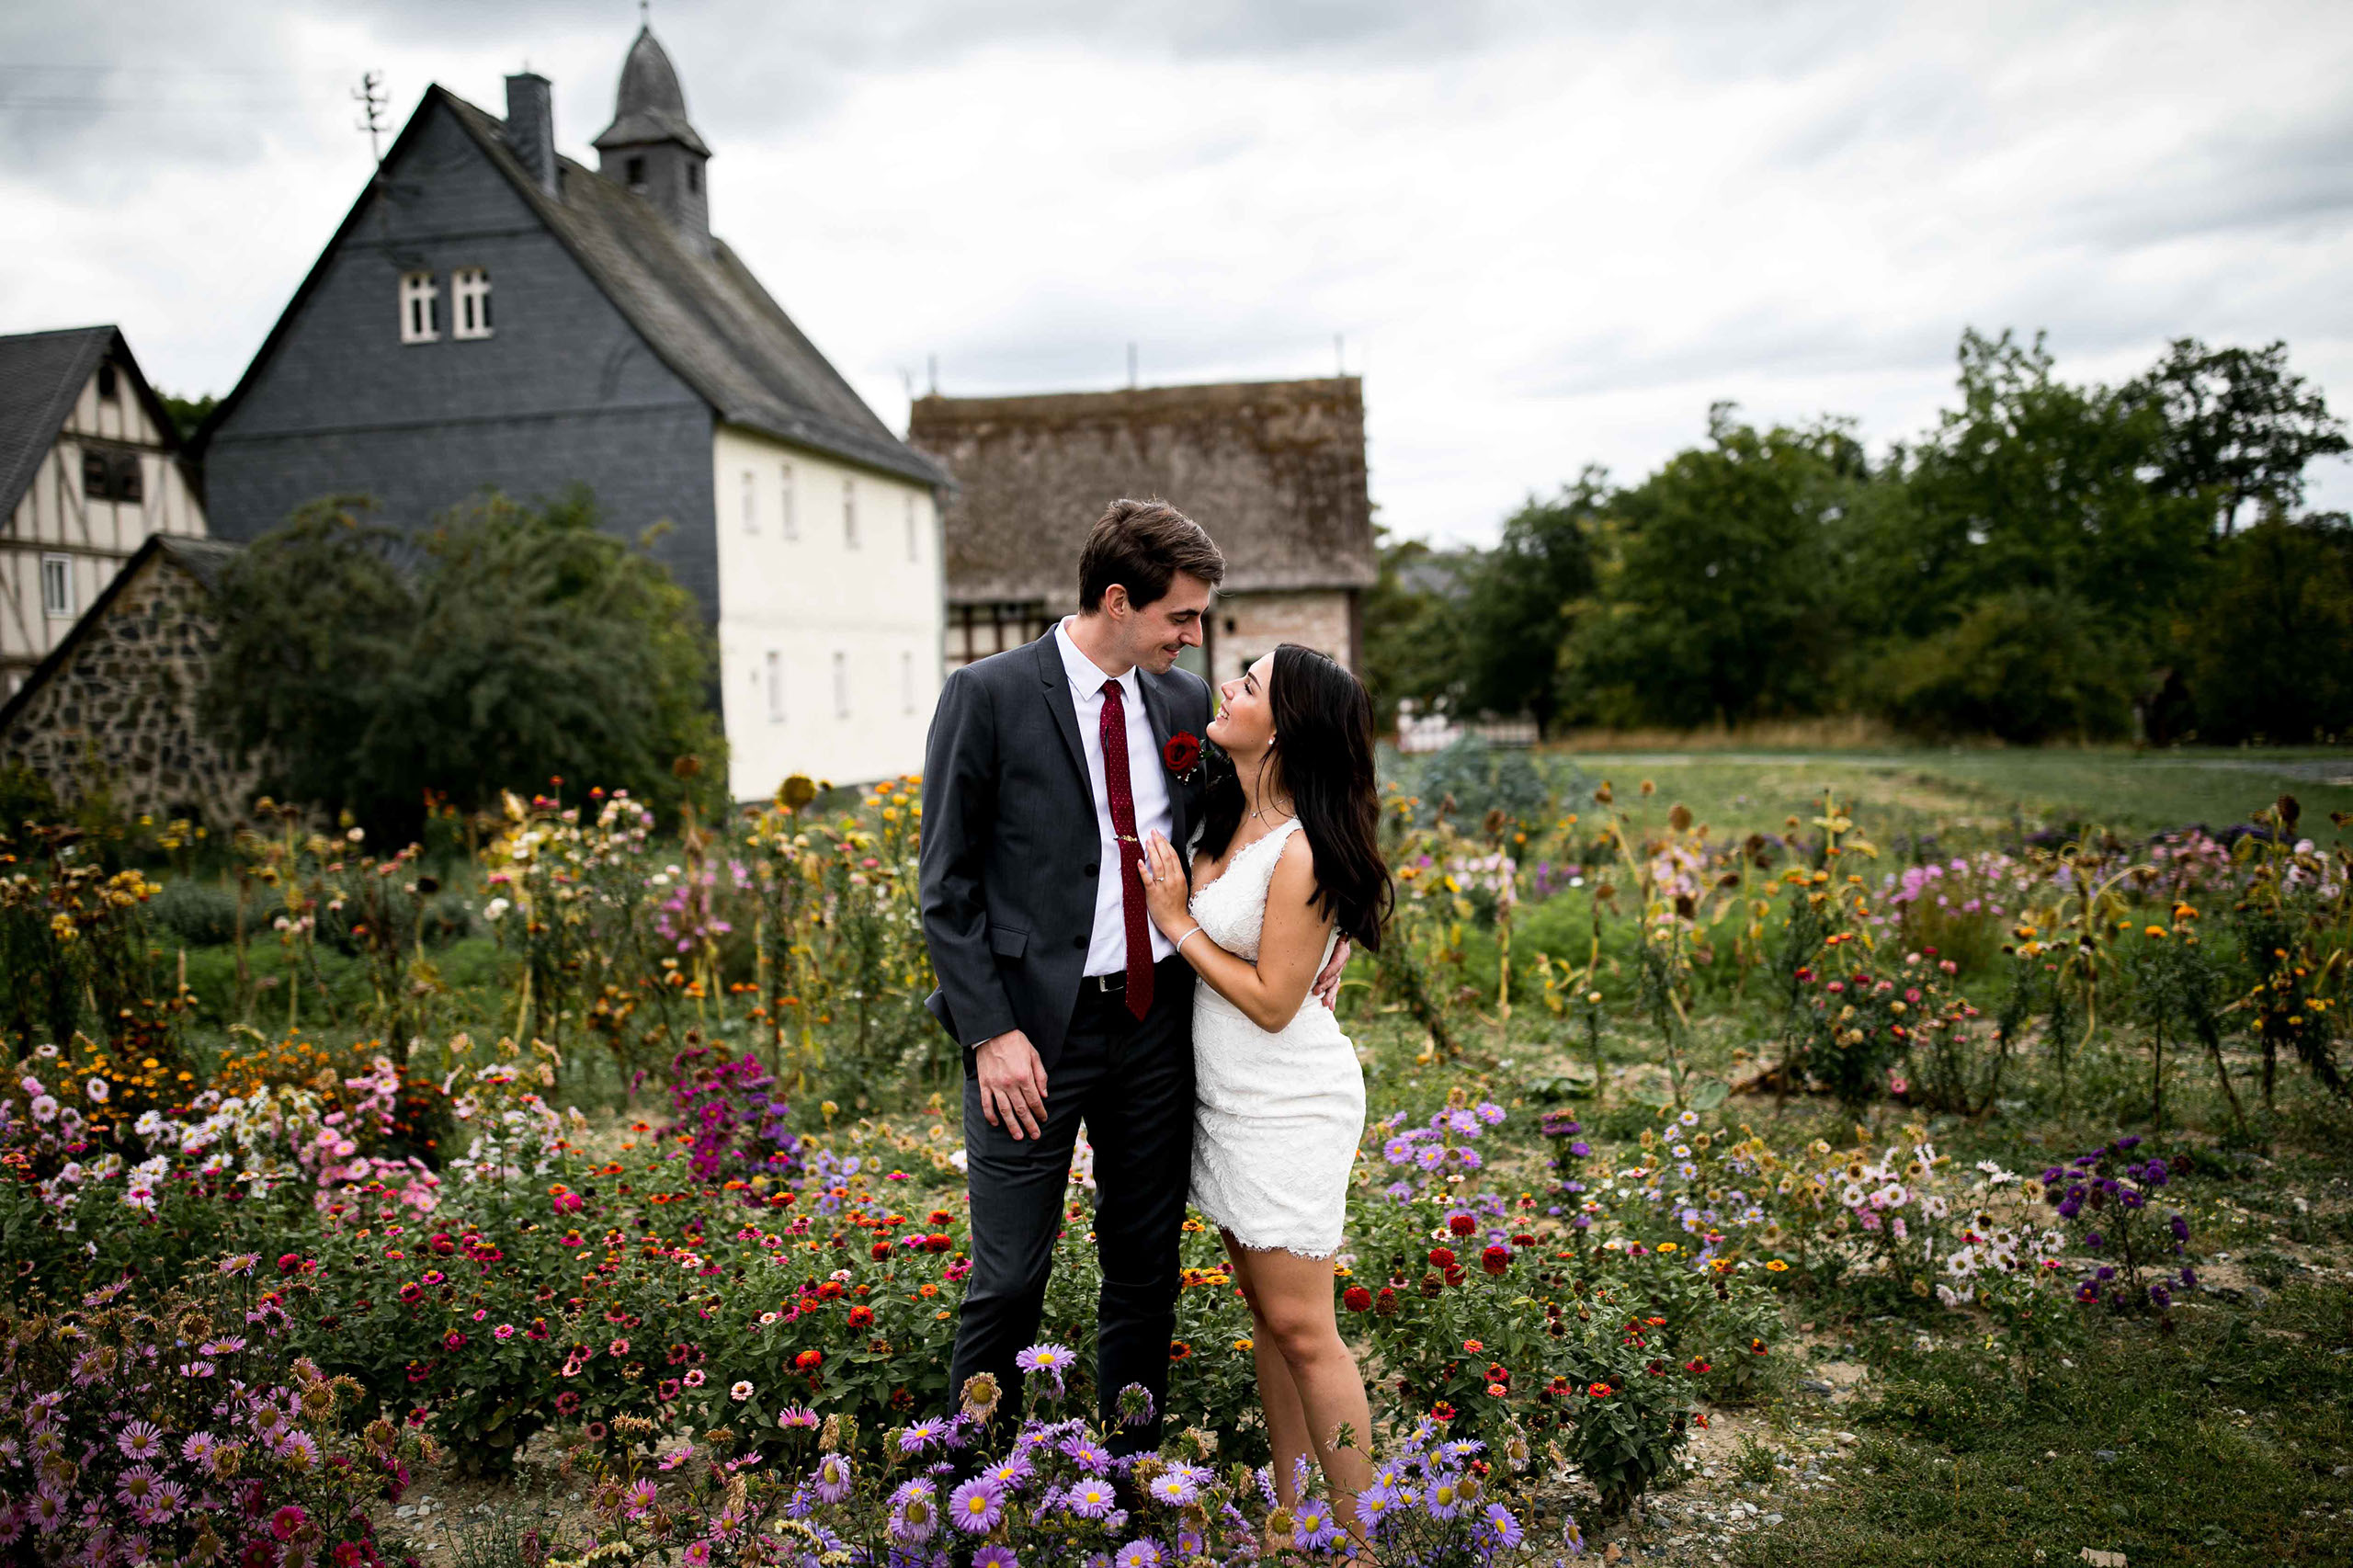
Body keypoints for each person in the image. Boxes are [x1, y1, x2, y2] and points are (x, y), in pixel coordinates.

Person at [918, 498, 1348, 1451]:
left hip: (1159, 1023)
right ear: (1118, 600)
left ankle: (1127, 1482)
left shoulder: (1182, 704)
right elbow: (944, 889)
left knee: (1145, 1268)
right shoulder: (985, 694)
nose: (1195, 637)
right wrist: (990, 1032)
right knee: (1008, 1274)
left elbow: (1282, 812)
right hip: (1030, 1032)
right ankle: (963, 1496)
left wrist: (1334, 918)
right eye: (1180, 618)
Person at [1135, 642, 1392, 1544]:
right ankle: (1289, 1517)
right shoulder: (1229, 806)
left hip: (1286, 1097)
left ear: (1282, 728)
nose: (1228, 688)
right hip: (1229, 1097)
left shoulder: (1304, 846)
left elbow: (1276, 1002)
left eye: (1249, 684)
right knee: (1269, 1317)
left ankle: (1370, 1544)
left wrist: (1175, 923)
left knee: (1305, 1325)